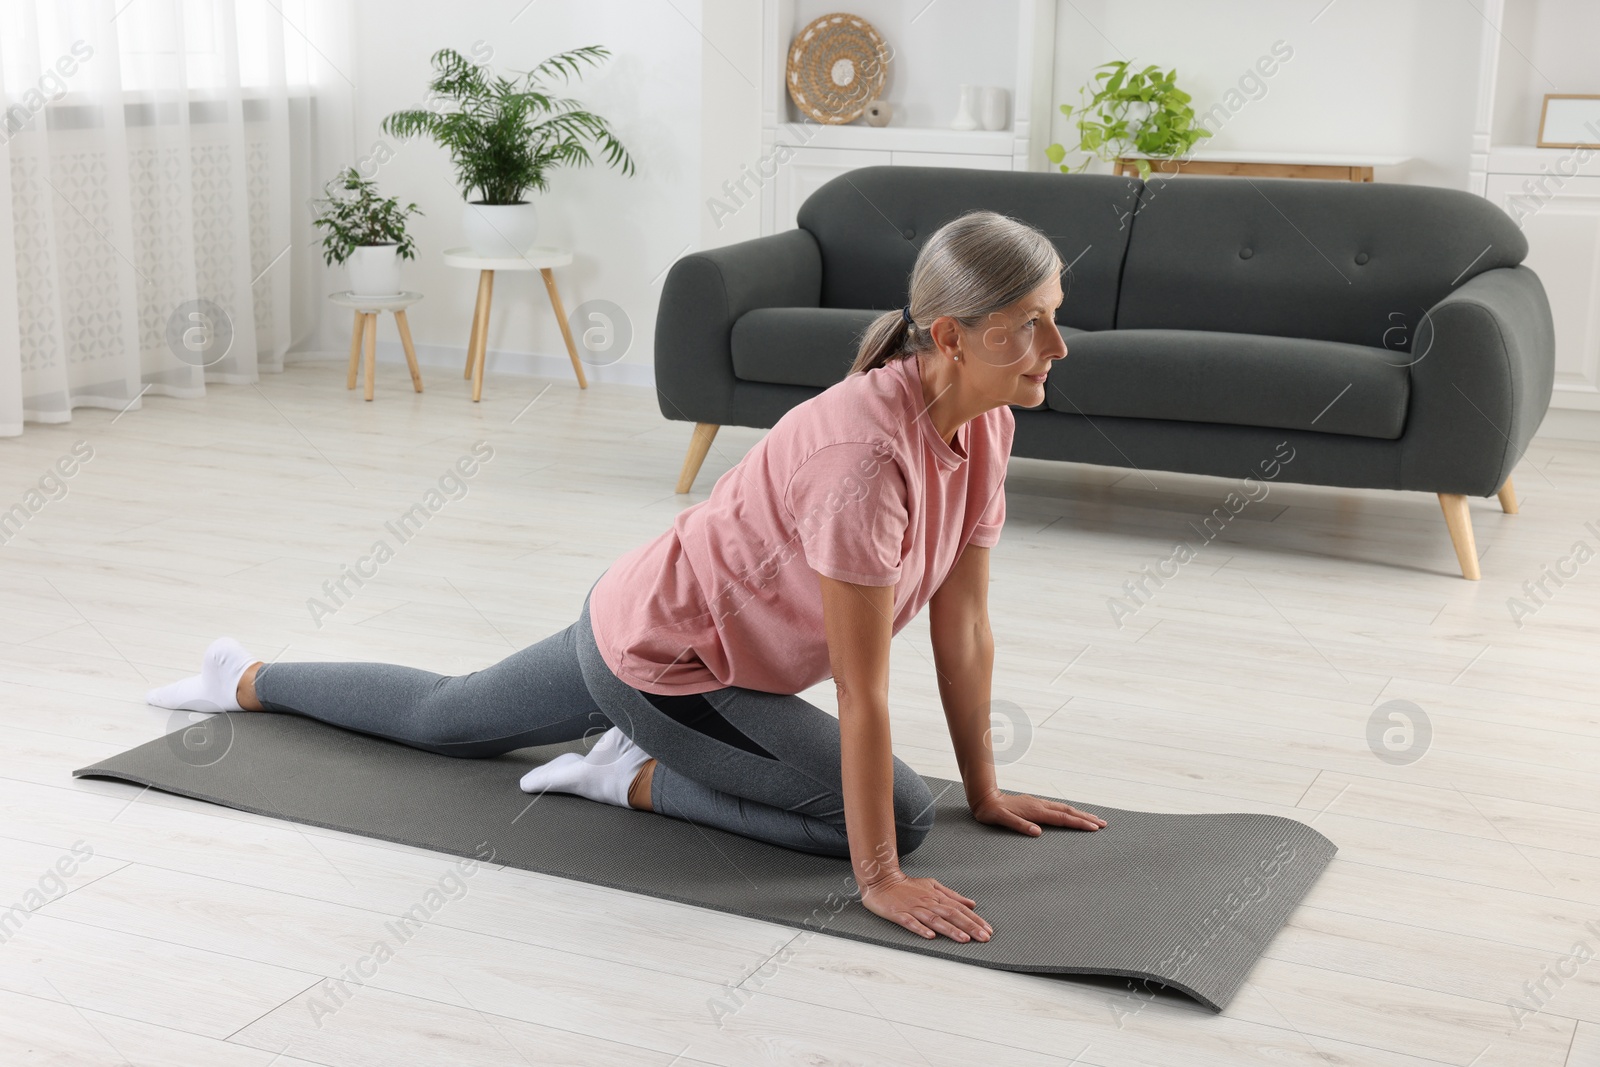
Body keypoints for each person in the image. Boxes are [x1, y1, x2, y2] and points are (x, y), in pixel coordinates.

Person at [146, 209, 1106, 946]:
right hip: (667, 659)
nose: (1056, 350)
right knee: (895, 816)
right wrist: (880, 876)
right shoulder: (865, 459)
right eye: (1028, 328)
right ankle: (626, 771)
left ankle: (247, 679)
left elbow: (964, 626)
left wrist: (985, 789)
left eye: (1053, 321)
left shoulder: (986, 424)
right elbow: (863, 692)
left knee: (448, 718)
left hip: (655, 615)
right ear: (948, 338)